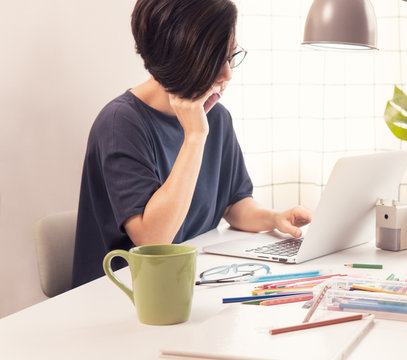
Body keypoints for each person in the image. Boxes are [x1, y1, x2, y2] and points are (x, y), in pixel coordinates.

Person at [72, 0, 312, 287]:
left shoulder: (217, 117)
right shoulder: (119, 123)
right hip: (124, 294)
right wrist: (194, 137)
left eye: (231, 56)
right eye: (216, 60)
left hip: (184, 283)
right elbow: (153, 240)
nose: (228, 75)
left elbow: (234, 205)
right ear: (179, 59)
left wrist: (274, 217)